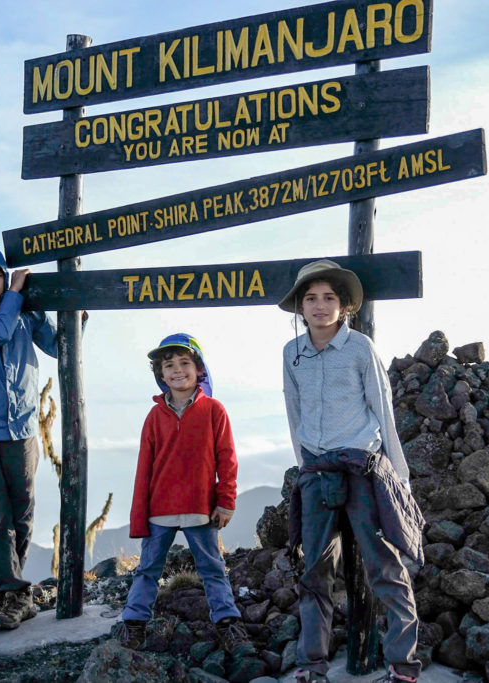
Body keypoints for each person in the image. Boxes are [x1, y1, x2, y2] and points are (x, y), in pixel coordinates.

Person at [279, 260, 425, 683]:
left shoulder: (360, 347)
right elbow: (294, 412)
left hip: (362, 468)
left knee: (385, 567)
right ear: (300, 307)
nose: (320, 306)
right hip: (316, 472)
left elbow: (383, 408)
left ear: (343, 307)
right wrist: (303, 464)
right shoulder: (292, 353)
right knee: (314, 573)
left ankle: (403, 666)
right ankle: (312, 665)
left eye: (329, 298)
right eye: (311, 298)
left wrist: (400, 478)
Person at [0, 198, 76, 631]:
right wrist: (15, 294)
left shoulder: (21, 314)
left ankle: (12, 591)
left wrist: (70, 307)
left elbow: (60, 346)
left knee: (22, 512)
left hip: (23, 431)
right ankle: (10, 588)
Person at [117, 334, 255, 656]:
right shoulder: (154, 417)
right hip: (159, 510)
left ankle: (227, 623)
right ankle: (134, 625)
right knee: (148, 569)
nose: (177, 370)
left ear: (199, 369)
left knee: (212, 568)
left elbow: (227, 459)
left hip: (200, 508)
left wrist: (226, 501)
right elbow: (143, 471)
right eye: (169, 366)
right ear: (161, 375)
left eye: (184, 363)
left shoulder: (213, 410)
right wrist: (139, 518)